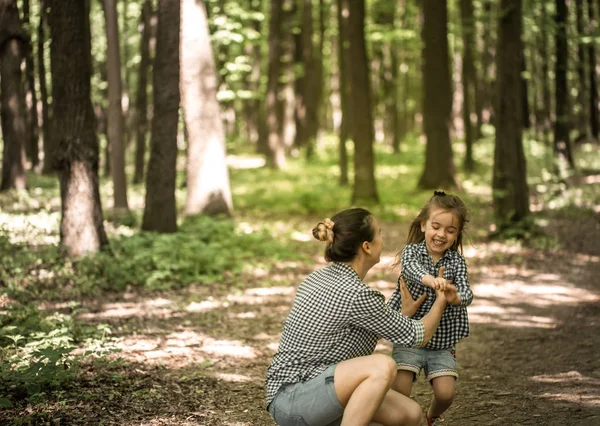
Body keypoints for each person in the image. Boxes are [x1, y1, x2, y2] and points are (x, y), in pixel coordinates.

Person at [265, 207, 453, 426]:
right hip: (294, 399)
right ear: (366, 246)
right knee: (382, 366)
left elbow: (353, 330)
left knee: (410, 415)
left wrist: (402, 315)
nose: (383, 239)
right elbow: (419, 335)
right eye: (379, 233)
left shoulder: (318, 277)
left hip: (320, 389)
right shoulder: (357, 294)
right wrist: (441, 299)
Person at [388, 191, 474, 426]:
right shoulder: (411, 252)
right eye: (436, 226)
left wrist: (456, 297)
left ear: (457, 234)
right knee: (400, 389)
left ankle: (430, 417)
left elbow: (468, 293)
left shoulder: (457, 262)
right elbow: (411, 270)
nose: (441, 234)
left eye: (450, 230)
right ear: (424, 224)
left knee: (446, 395)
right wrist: (431, 280)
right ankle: (397, 419)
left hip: (442, 342)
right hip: (409, 336)